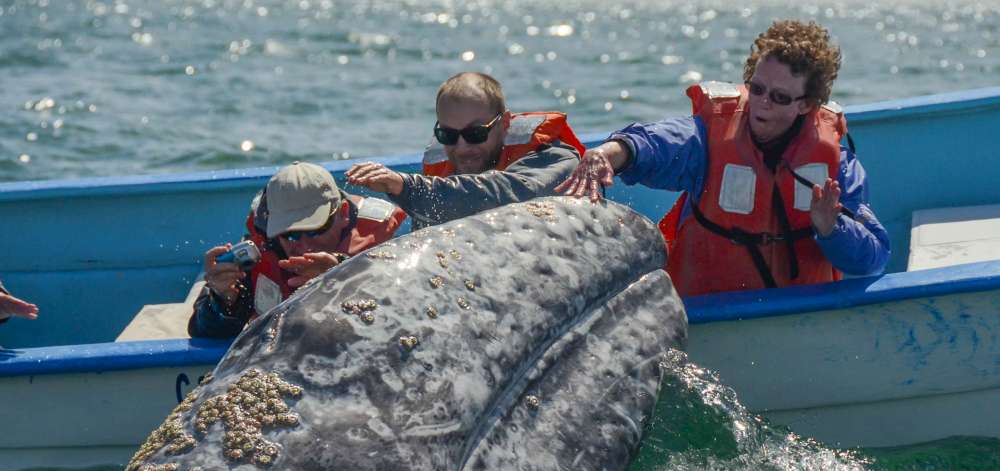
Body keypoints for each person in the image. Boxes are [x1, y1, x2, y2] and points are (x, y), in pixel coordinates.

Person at [557, 20, 890, 297]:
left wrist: (833, 228)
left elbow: (874, 259)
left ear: (807, 104)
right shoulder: (708, 139)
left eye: (779, 97)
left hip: (799, 318)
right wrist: (607, 153)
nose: (762, 103)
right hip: (710, 312)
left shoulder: (839, 167)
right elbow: (657, 143)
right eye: (756, 89)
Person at [188, 161, 405, 339]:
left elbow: (406, 315)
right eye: (290, 235)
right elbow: (205, 333)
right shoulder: (259, 251)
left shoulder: (389, 240)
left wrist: (344, 276)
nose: (303, 246)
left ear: (343, 213)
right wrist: (223, 299)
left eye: (315, 230)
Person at [344, 72, 586, 229]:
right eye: (448, 135)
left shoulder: (556, 160)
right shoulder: (440, 181)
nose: (462, 147)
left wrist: (404, 186)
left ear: (505, 124)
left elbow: (506, 194)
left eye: (475, 134)